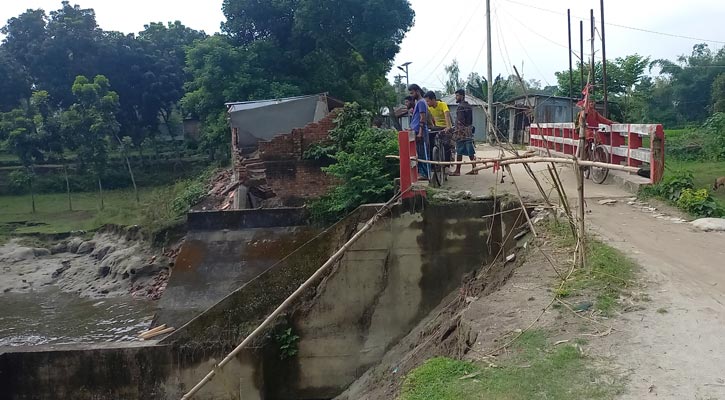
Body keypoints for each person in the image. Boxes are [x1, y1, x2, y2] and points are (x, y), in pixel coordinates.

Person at [450, 89, 477, 176]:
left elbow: (461, 121)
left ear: (462, 96)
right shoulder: (468, 106)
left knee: (459, 151)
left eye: (457, 96)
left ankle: (457, 171)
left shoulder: (461, 107)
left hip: (461, 132)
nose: (456, 98)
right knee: (470, 151)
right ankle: (475, 168)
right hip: (468, 130)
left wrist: (457, 130)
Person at [424, 91, 453, 164]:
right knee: (430, 142)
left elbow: (447, 115)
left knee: (446, 145)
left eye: (428, 101)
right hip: (436, 127)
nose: (427, 103)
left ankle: (447, 165)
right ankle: (432, 164)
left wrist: (448, 126)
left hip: (445, 127)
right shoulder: (429, 108)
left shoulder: (442, 104)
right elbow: (430, 118)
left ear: (433, 99)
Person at [408, 84, 430, 179]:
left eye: (412, 93)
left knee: (422, 153)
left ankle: (424, 174)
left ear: (417, 91)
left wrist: (420, 132)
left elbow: (422, 118)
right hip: (416, 130)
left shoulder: (421, 102)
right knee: (419, 153)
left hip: (420, 131)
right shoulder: (419, 102)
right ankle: (422, 172)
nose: (411, 95)